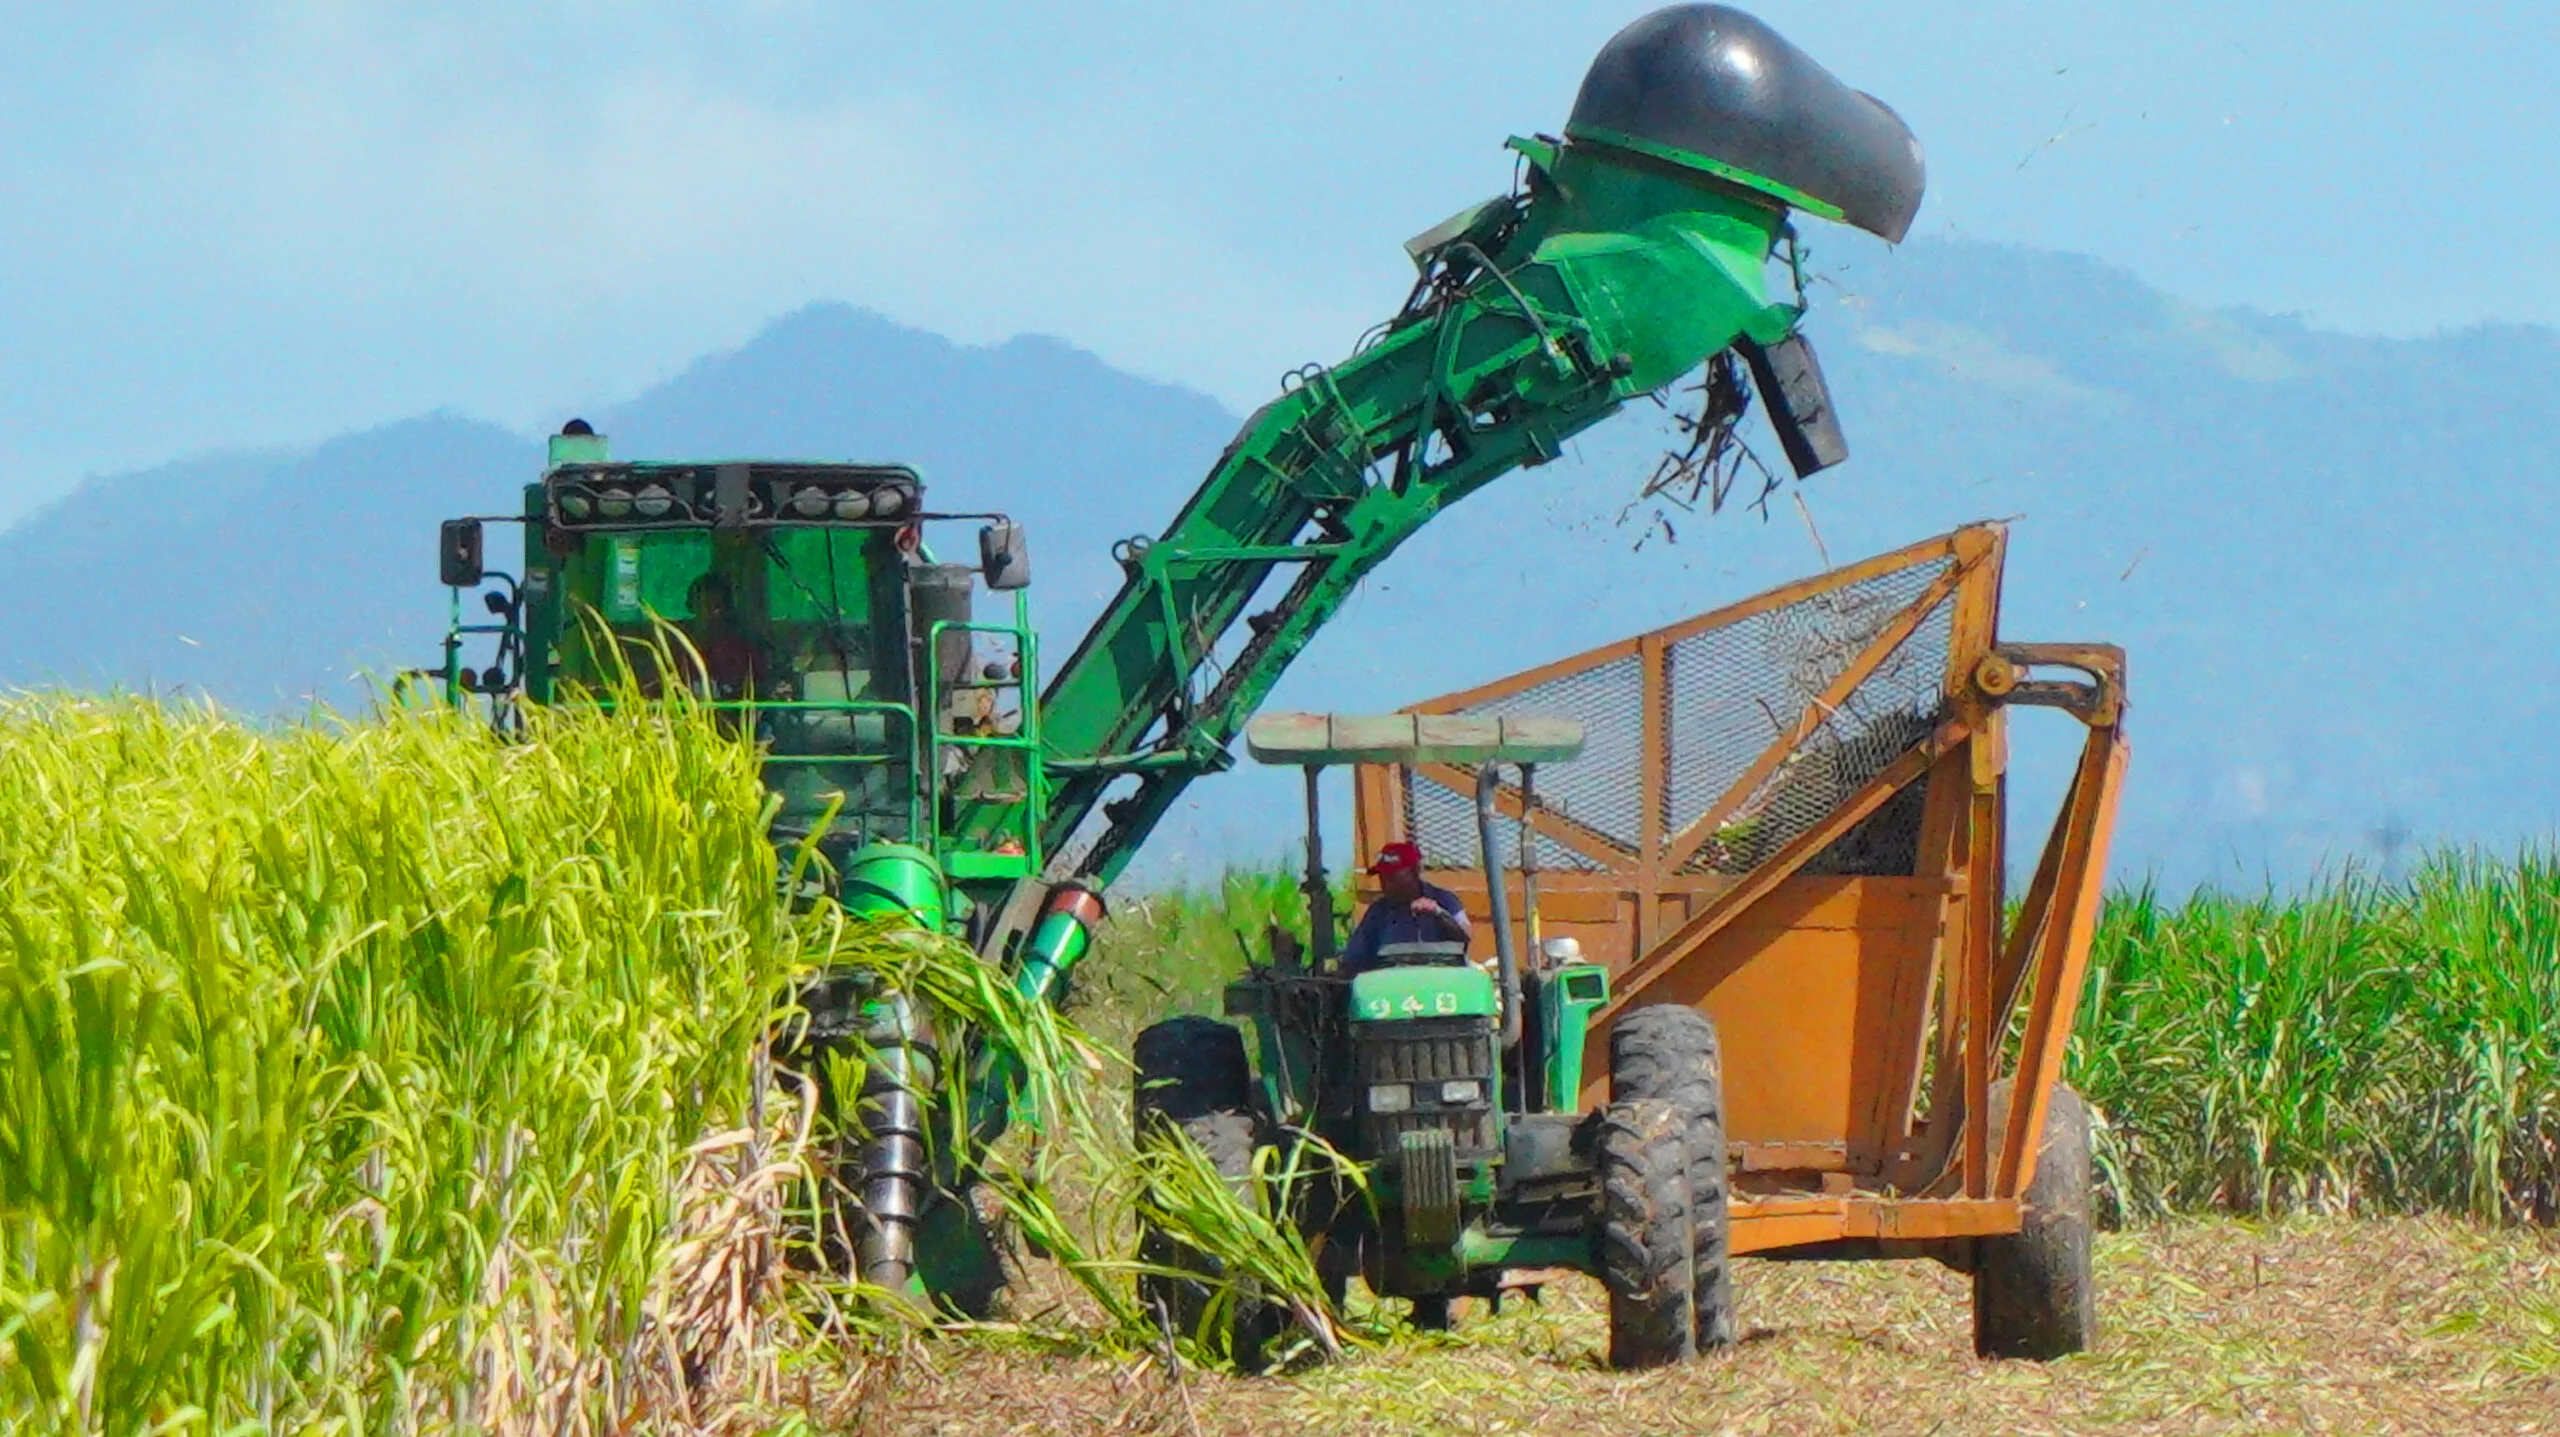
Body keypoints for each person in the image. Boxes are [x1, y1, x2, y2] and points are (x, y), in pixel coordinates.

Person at [1340, 841, 1470, 974]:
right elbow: (1354, 958)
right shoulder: (1378, 912)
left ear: (1415, 871)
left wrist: (1439, 914)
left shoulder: (1444, 900)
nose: (1386, 884)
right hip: (1392, 987)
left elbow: (1464, 939)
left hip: (1441, 982)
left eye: (1393, 877)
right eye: (1382, 877)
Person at [679, 572, 772, 700]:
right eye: (703, 604)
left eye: (717, 606)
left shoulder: (740, 647)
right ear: (691, 606)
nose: (709, 612)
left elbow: (754, 689)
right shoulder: (677, 642)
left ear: (727, 609)